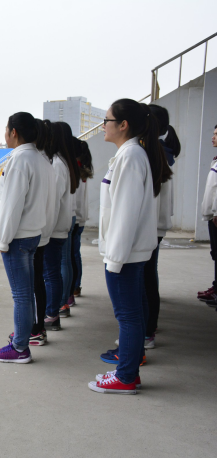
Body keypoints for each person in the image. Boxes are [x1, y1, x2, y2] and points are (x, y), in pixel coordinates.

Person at [89, 98, 170, 395]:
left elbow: (125, 213)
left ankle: (125, 377)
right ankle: (127, 372)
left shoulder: (131, 156)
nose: (103, 126)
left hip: (125, 254)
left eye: (107, 120)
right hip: (127, 253)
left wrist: (115, 258)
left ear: (123, 125)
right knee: (132, 313)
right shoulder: (130, 154)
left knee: (128, 315)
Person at [0, 112, 51, 363]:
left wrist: (3, 240)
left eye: (6, 130)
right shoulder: (40, 158)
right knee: (27, 293)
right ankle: (22, 338)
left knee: (22, 295)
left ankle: (19, 347)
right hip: (33, 234)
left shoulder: (19, 159)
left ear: (14, 132)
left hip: (18, 237)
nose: (6, 134)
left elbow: (12, 204)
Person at [144, 104, 181, 346]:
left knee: (145, 279)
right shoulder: (161, 151)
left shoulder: (152, 152)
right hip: (155, 224)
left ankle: (147, 331)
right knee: (149, 276)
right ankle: (149, 327)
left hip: (149, 225)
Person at [43, 122, 79, 331]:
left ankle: (51, 313)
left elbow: (53, 201)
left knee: (51, 273)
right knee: (56, 270)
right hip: (61, 224)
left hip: (55, 227)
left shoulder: (57, 163)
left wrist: (45, 229)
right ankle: (56, 309)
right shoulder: (64, 161)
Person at [29, 119, 57, 347]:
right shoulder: (45, 162)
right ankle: (36, 328)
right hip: (40, 232)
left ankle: (36, 330)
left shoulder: (39, 162)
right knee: (36, 281)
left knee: (35, 283)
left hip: (36, 233)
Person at [57, 123, 81, 319]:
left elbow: (56, 197)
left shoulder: (58, 163)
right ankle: (66, 298)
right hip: (70, 216)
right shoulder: (68, 161)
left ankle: (62, 302)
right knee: (67, 260)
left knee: (62, 263)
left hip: (62, 218)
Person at [70, 141, 93, 300]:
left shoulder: (75, 169)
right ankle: (76, 286)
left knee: (71, 256)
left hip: (75, 218)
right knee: (75, 254)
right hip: (80, 217)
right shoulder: (82, 168)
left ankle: (74, 286)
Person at [198, 125, 217, 308]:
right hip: (213, 215)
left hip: (216, 215)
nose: (213, 137)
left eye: (216, 135)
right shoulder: (216, 160)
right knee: (215, 253)